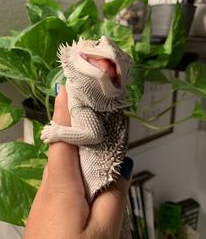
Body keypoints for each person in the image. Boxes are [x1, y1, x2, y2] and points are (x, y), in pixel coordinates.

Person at [23, 85, 134, 239]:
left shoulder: (85, 94)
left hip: (99, 176)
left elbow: (94, 135)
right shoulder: (80, 93)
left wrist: (59, 132)